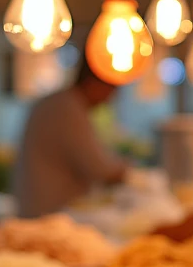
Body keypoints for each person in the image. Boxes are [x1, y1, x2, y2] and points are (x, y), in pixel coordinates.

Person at [14, 56, 128, 217]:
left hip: (44, 209)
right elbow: (97, 167)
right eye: (111, 92)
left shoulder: (62, 103)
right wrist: (126, 172)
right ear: (94, 83)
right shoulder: (67, 108)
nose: (109, 101)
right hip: (48, 213)